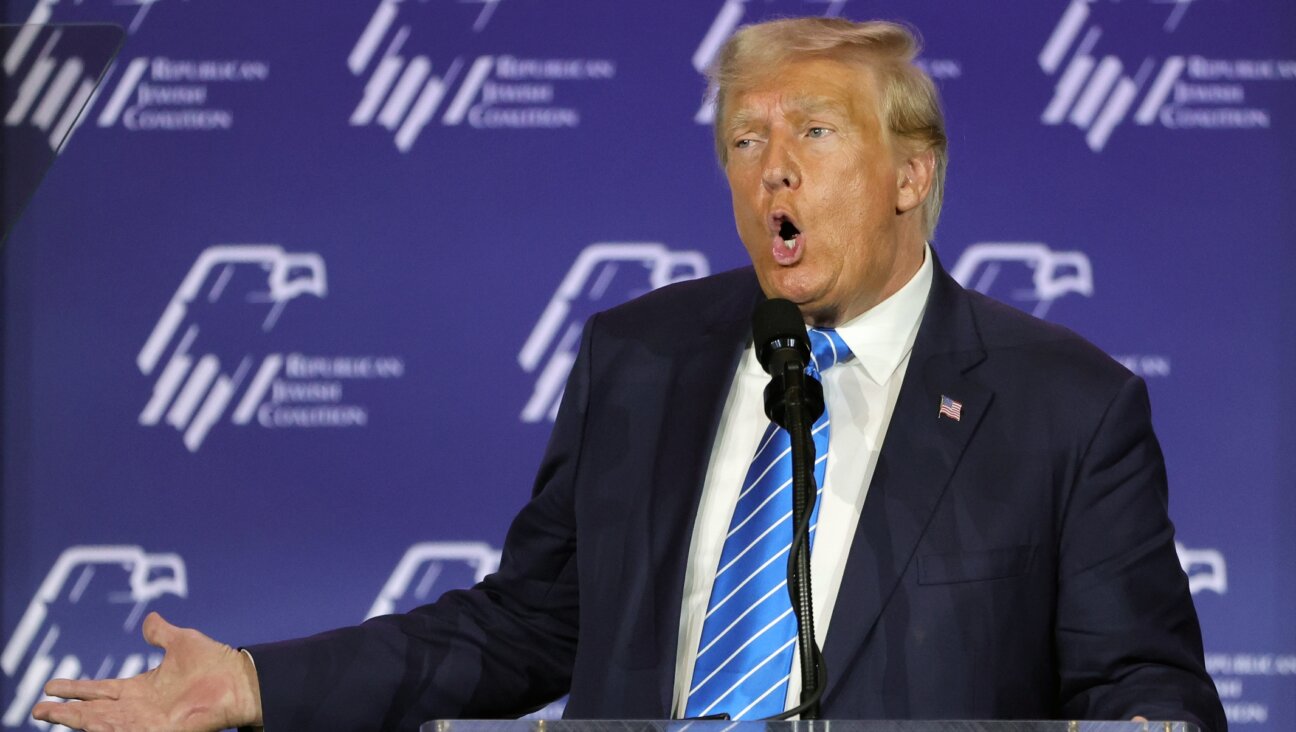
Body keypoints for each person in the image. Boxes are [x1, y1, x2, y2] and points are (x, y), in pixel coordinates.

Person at [33, 16, 1226, 732]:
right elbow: (526, 627)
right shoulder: (641, 357)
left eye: (813, 134)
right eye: (745, 142)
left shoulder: (1066, 406)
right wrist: (256, 684)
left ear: (912, 175)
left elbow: (1149, 700)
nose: (773, 174)